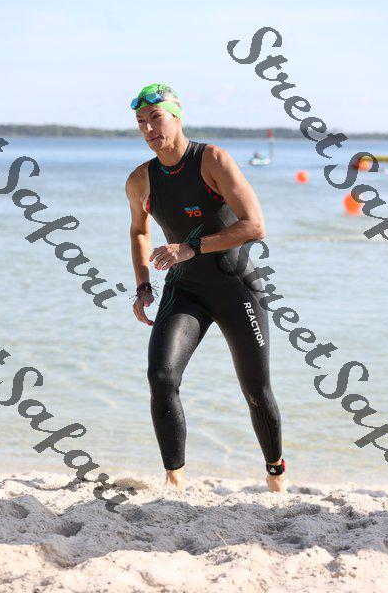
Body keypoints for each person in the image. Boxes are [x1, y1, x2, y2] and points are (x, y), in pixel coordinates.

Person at [125, 83, 286, 493]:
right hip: (186, 291)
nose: (149, 128)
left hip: (237, 288)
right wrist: (143, 285)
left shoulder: (212, 160)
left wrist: (190, 247)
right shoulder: (141, 180)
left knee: (256, 390)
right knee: (161, 377)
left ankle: (276, 476)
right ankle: (174, 482)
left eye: (156, 118)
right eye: (141, 122)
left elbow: (255, 226)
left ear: (177, 115)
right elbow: (139, 230)